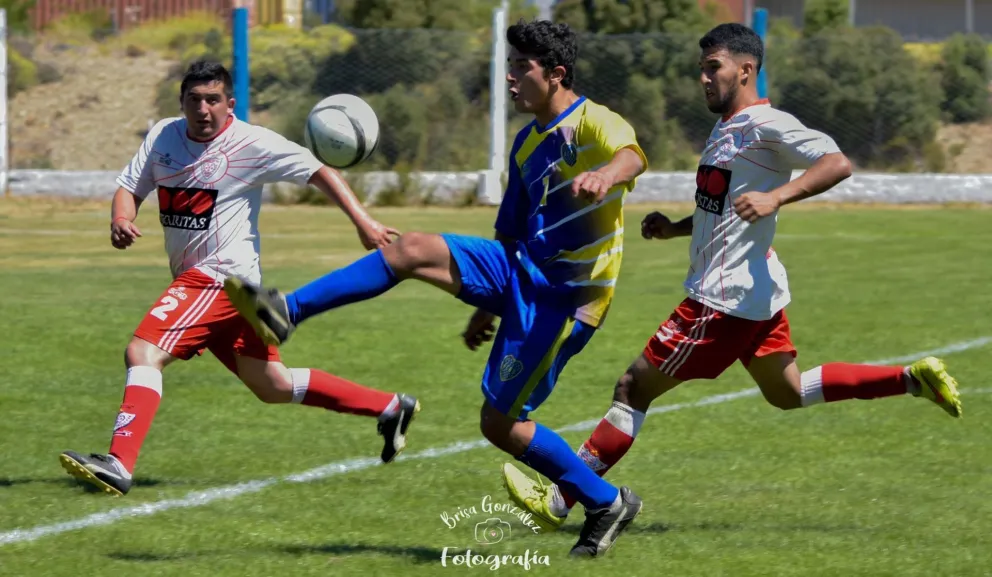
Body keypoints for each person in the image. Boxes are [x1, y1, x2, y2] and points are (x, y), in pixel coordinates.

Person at [499, 22, 963, 531]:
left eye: (712, 67)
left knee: (633, 388)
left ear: (746, 69)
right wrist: (677, 229)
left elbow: (837, 163)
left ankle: (561, 503)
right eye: (701, 68)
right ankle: (910, 378)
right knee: (787, 391)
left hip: (720, 300)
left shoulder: (768, 125)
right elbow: (721, 204)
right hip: (757, 291)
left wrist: (776, 196)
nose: (703, 78)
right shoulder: (727, 128)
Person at [224, 20, 648, 557]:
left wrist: (607, 175)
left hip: (565, 299)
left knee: (501, 424)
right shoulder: (525, 144)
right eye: (510, 65)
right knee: (409, 248)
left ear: (557, 73)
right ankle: (288, 309)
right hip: (518, 270)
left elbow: (631, 153)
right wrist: (485, 302)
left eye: (523, 67)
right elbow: (510, 230)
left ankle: (606, 502)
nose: (512, 78)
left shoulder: (591, 122)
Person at [59, 60, 421, 498]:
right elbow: (131, 185)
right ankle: (389, 407)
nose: (203, 109)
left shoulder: (252, 143)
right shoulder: (164, 136)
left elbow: (320, 171)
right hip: (227, 289)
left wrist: (363, 221)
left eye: (213, 100)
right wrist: (121, 216)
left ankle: (119, 463)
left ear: (230, 104)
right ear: (182, 103)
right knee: (273, 384)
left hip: (217, 280)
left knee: (142, 353)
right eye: (194, 100)